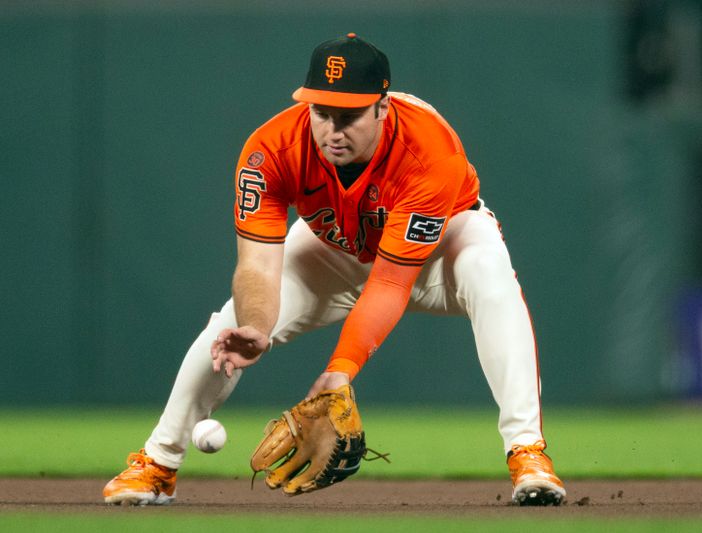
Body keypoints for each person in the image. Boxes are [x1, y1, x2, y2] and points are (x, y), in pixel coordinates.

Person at [102, 33, 566, 507]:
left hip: (439, 251)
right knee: (227, 328)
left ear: (383, 108)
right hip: (335, 248)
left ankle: (527, 453)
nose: (332, 130)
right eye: (321, 113)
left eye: (349, 116)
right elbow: (258, 263)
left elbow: (389, 282)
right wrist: (258, 325)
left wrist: (340, 370)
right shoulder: (272, 149)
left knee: (490, 273)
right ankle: (157, 464)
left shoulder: (428, 152)